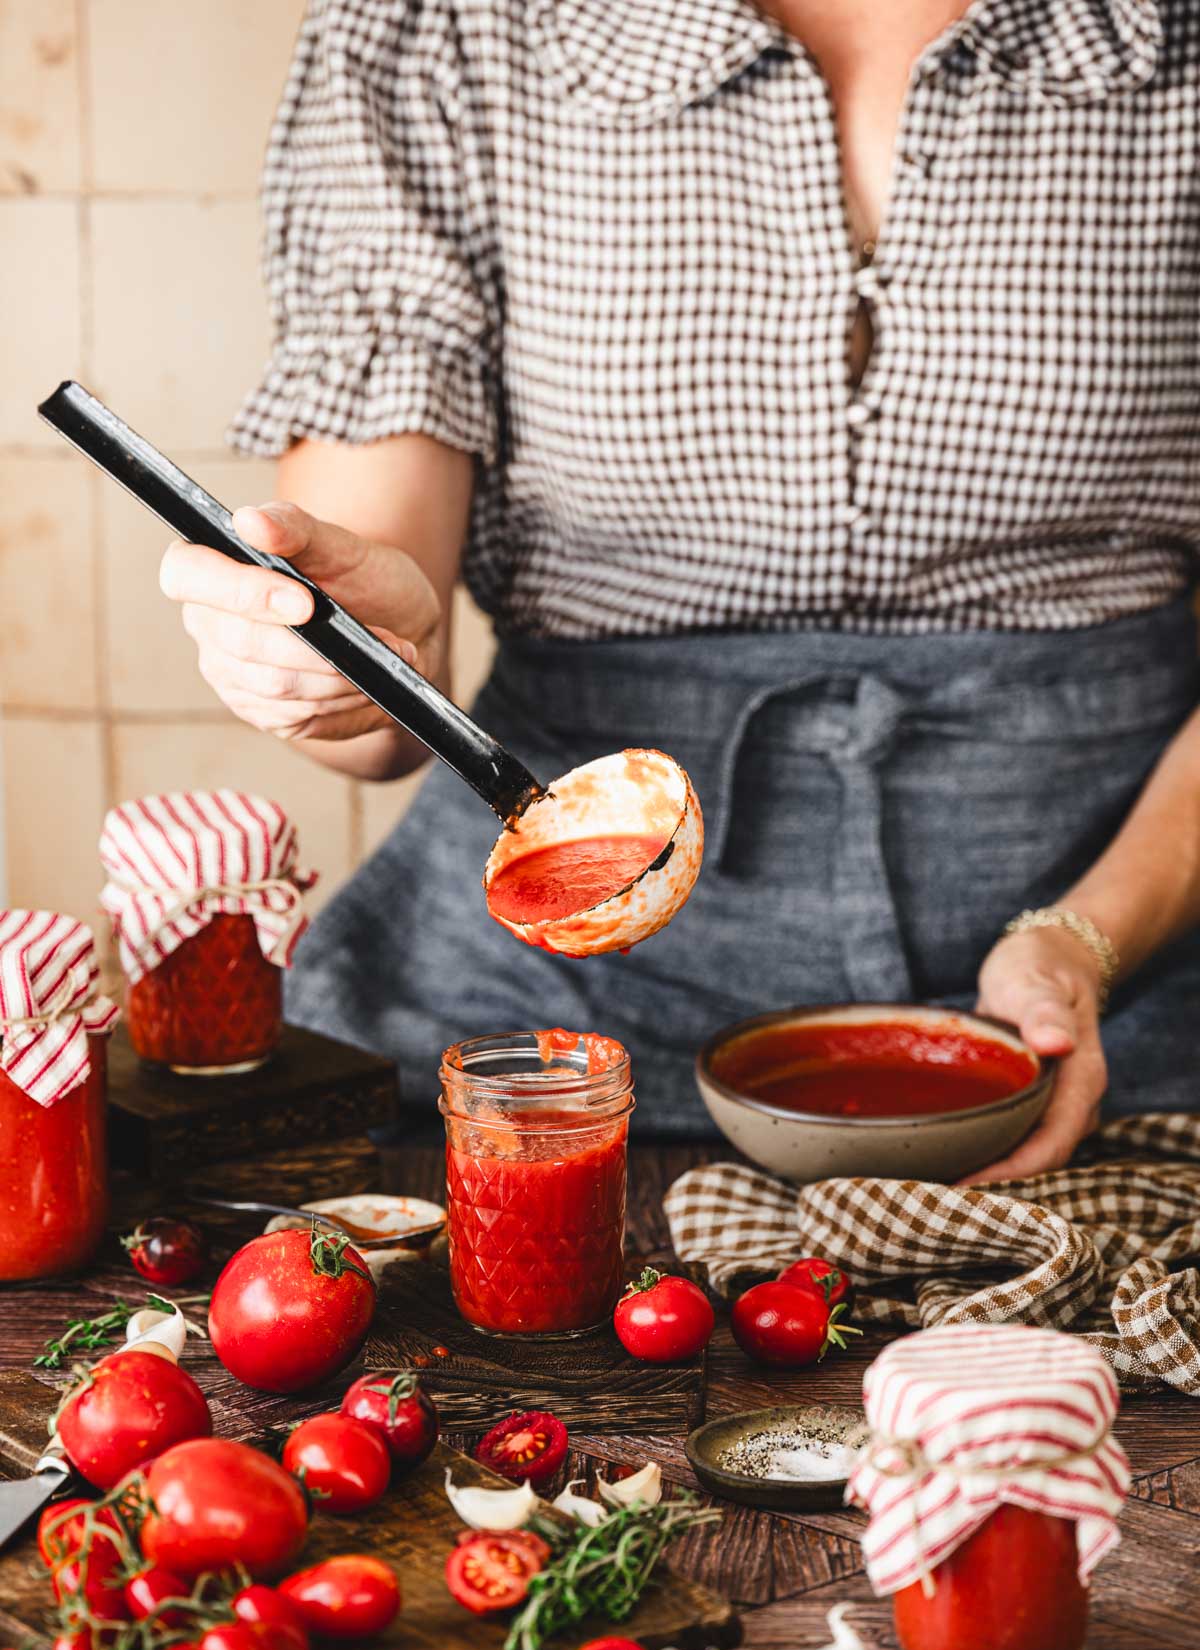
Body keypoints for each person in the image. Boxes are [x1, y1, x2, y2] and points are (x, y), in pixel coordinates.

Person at [160, 0, 1200, 1167]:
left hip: (1128, 974)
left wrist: (1082, 942)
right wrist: (353, 669)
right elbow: (381, 660)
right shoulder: (438, 29)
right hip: (533, 1006)